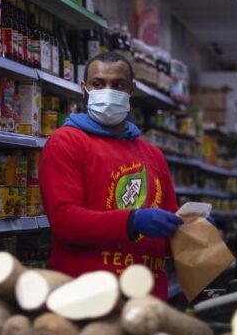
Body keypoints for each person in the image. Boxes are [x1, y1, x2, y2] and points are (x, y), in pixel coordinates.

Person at [39, 51, 182, 299]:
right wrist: (132, 221)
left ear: (131, 90)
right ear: (84, 89)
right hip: (85, 301)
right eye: (98, 84)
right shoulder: (65, 143)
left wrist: (189, 229)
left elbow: (168, 238)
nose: (108, 91)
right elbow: (64, 221)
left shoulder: (153, 156)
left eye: (118, 85)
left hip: (148, 302)